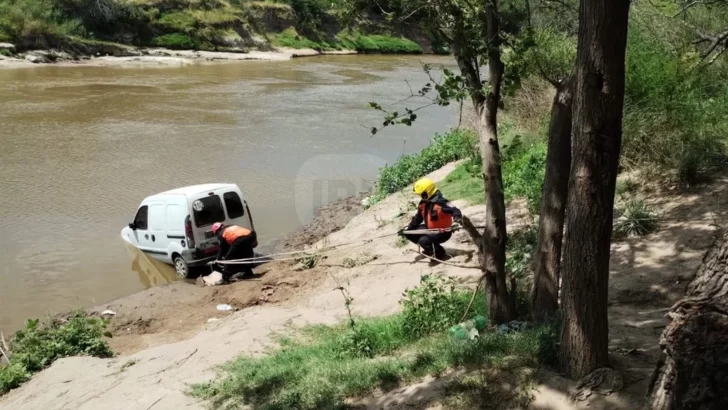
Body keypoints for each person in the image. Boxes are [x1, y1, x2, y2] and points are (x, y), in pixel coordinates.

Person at [399, 178, 462, 263]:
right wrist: (407, 229)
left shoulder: (441, 202)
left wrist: (457, 218)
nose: (419, 197)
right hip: (430, 229)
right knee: (410, 233)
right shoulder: (423, 204)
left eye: (420, 194)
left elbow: (455, 210)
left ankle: (440, 253)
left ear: (426, 193)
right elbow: (418, 218)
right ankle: (431, 248)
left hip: (442, 232)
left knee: (423, 241)